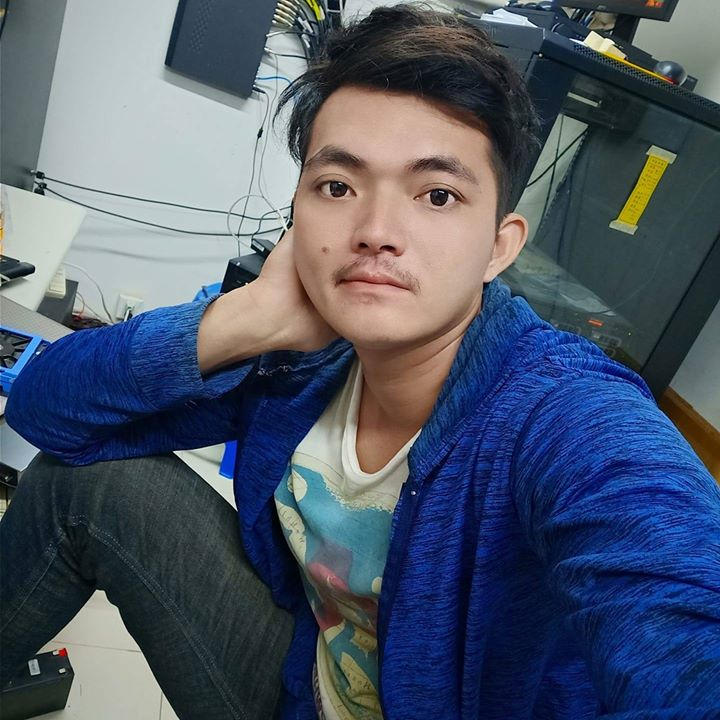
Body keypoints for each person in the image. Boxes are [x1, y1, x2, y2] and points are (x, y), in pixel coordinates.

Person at [2, 5, 719, 719]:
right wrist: (241, 319)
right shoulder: (301, 359)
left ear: (499, 246)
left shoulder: (560, 414)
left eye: (437, 195)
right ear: (295, 214)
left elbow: (682, 617)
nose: (376, 232)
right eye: (338, 187)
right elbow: (43, 408)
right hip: (302, 685)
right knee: (80, 486)